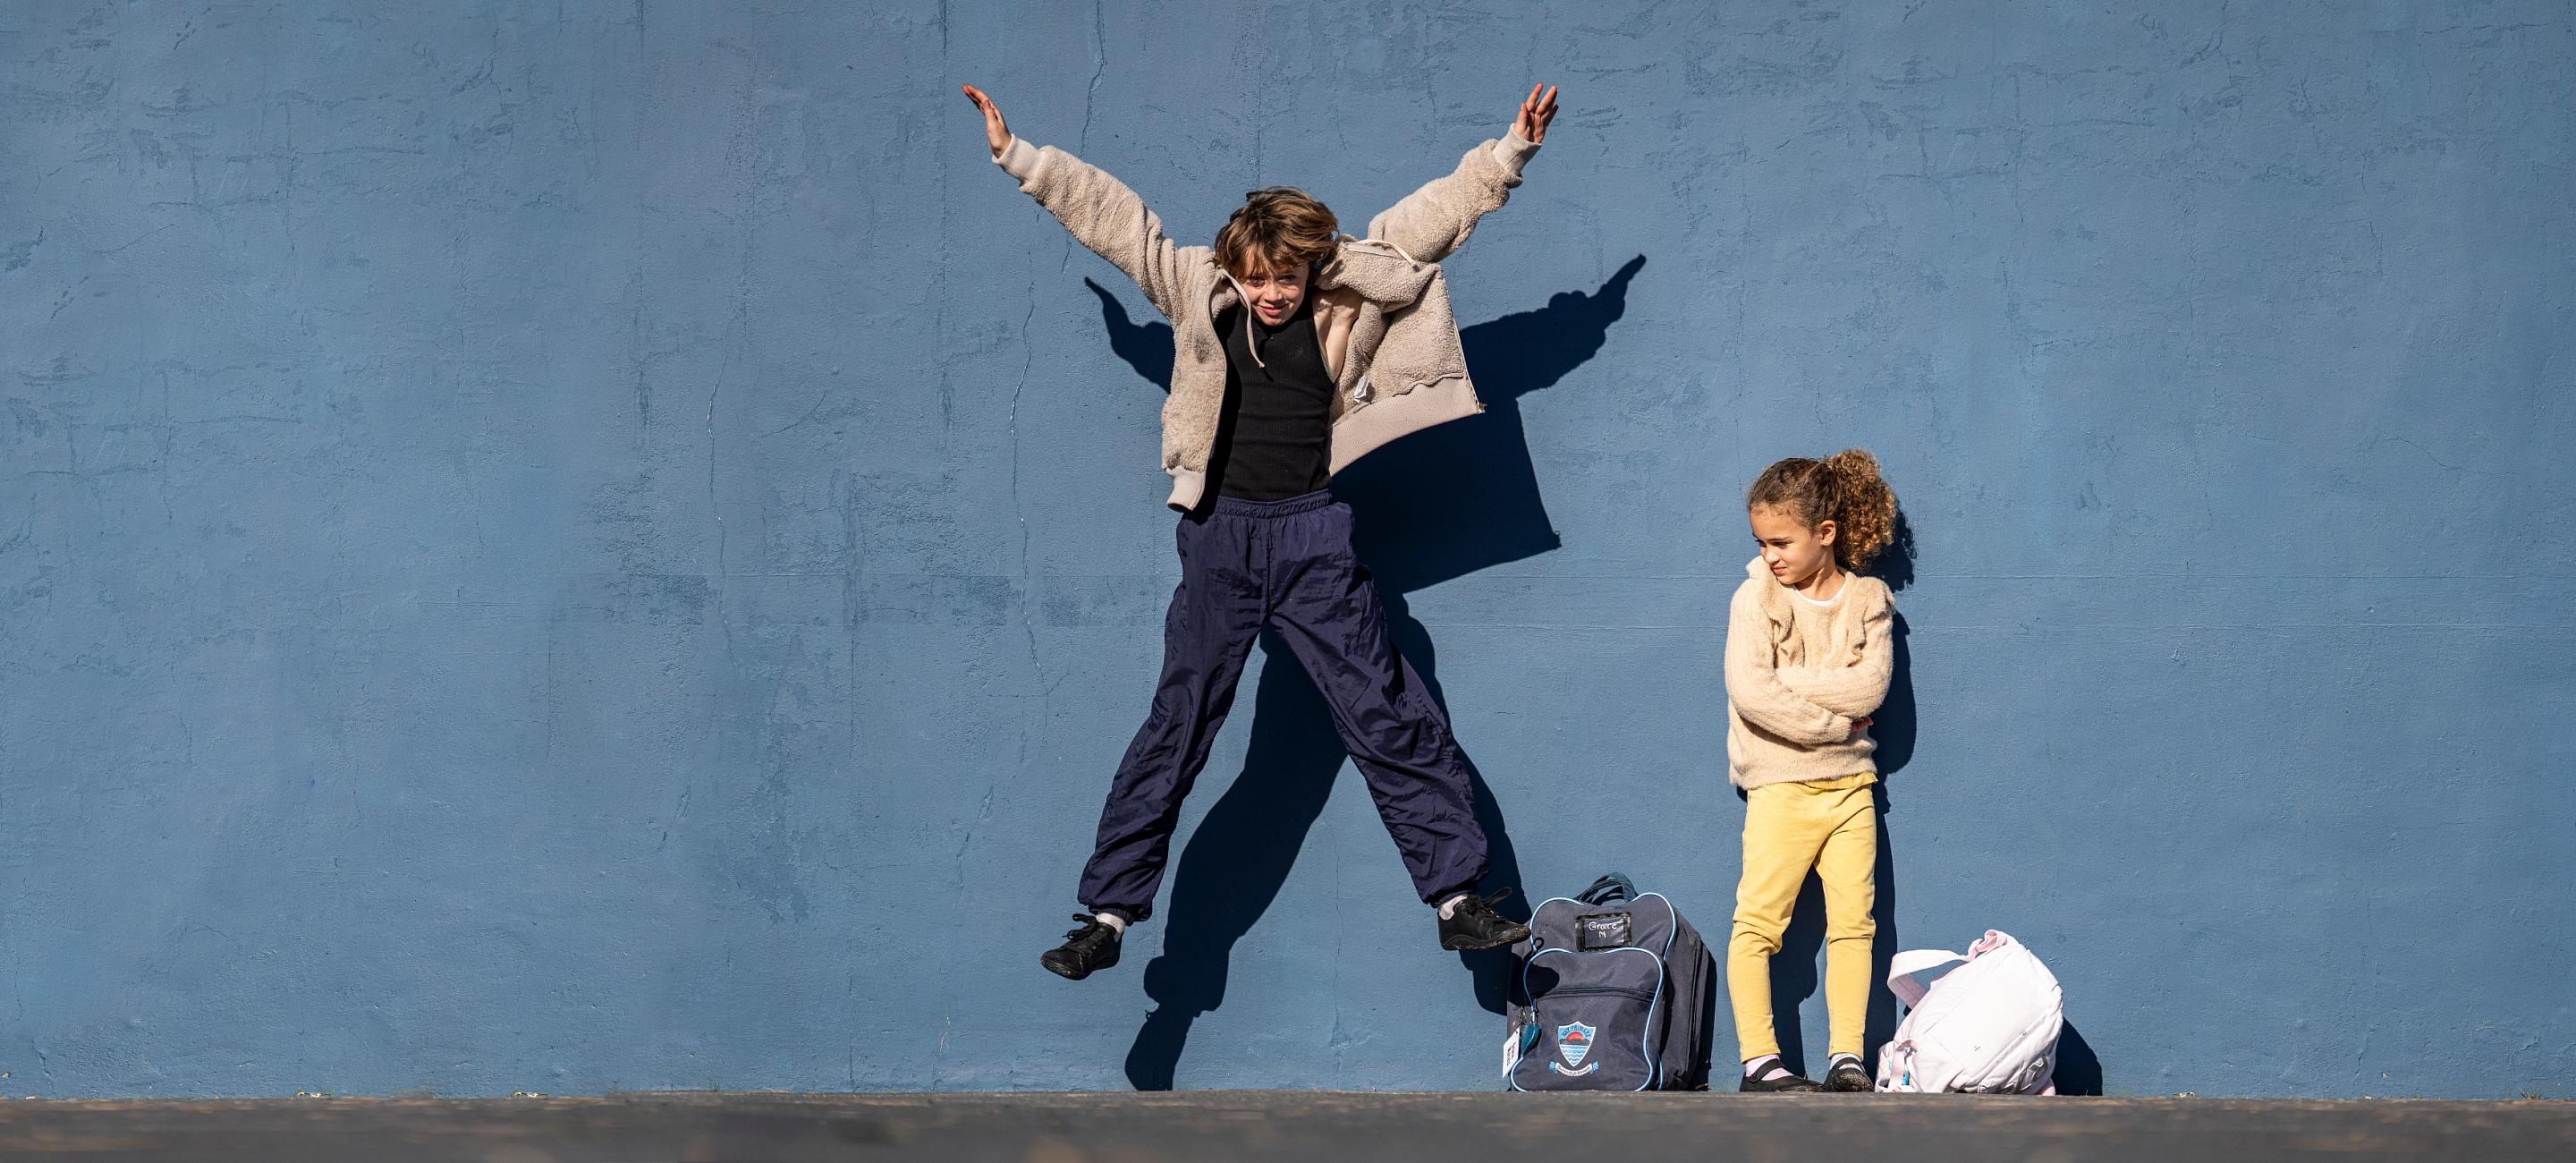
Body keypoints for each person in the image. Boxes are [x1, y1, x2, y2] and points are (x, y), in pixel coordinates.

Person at [957, 81, 1563, 981]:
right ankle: (1108, 916)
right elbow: (1119, 223)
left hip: (1315, 536)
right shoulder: (1196, 288)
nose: (1271, 293)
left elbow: (1434, 219)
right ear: (1233, 267)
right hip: (1220, 537)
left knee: (1388, 710)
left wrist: (1511, 152)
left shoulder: (1345, 296)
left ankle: (1457, 899)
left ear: (1311, 268)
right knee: (1180, 721)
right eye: (1257, 278)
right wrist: (1023, 160)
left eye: (1286, 277)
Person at [1722, 450, 1901, 1091]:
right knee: (1757, 925)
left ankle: (1847, 1057)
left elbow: (1870, 688)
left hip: (1852, 789)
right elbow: (1751, 692)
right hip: (1779, 787)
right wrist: (1834, 725)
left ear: (1825, 533)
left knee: (1855, 926)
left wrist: (1791, 680)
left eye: (1781, 542)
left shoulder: (1869, 600)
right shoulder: (1755, 599)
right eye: (1761, 543)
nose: (1769, 556)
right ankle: (1759, 1062)